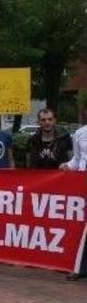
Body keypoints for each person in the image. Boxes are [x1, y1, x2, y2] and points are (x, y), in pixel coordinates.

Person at [61, 120, 87, 280]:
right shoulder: (80, 133)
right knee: (82, 227)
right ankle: (81, 267)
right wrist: (67, 166)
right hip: (83, 185)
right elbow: (77, 160)